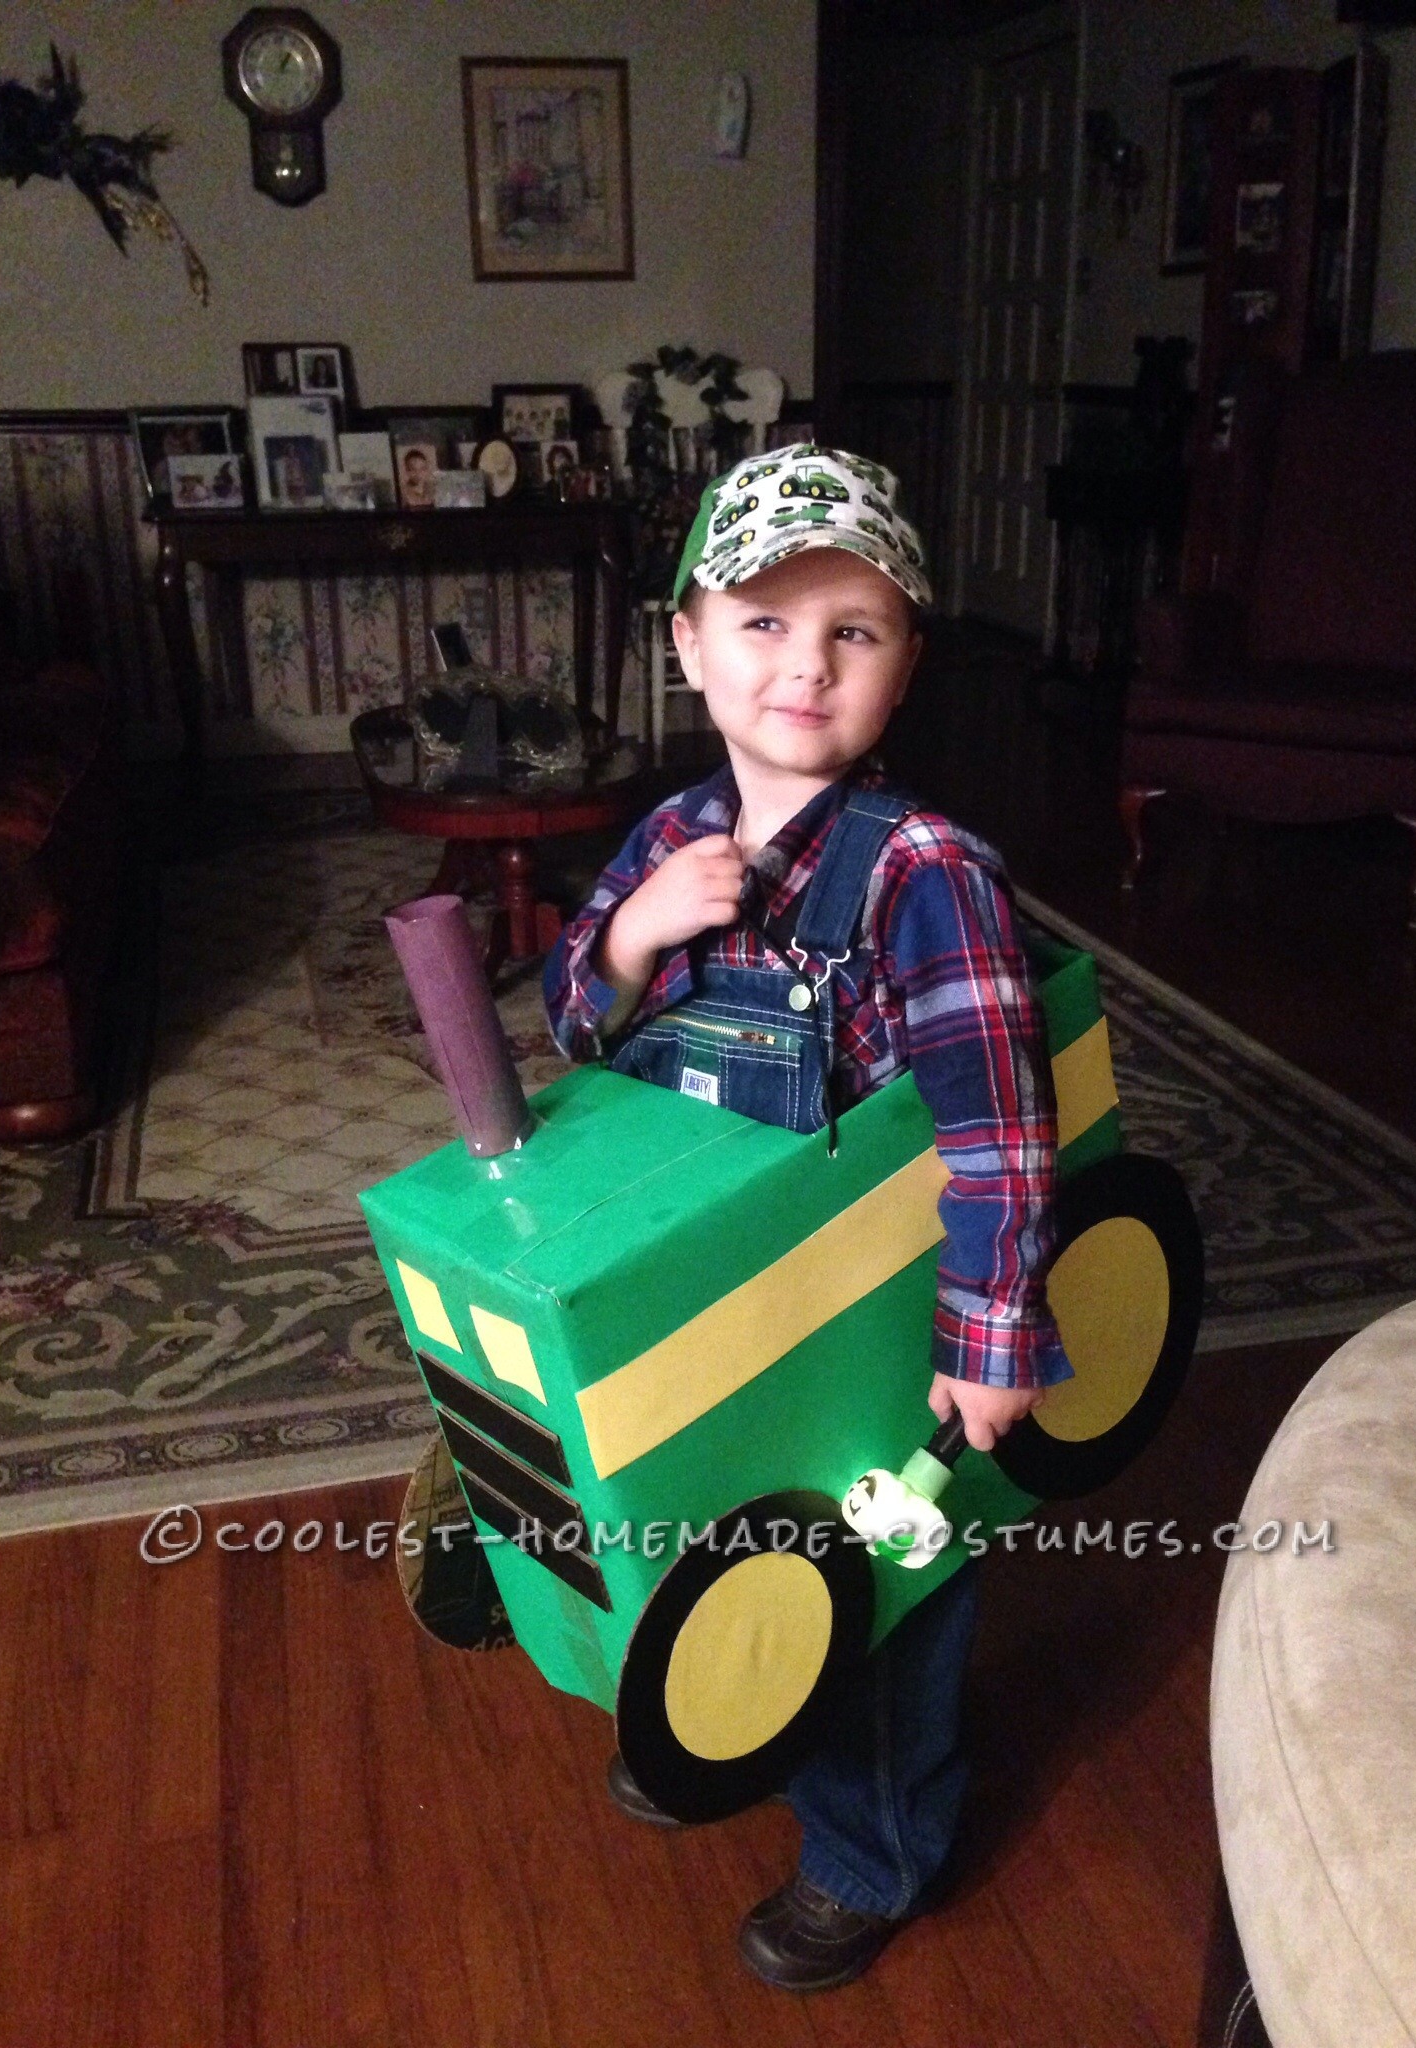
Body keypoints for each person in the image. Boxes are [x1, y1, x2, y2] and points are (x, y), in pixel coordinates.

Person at [542, 443, 1071, 1992]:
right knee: (717, 1531)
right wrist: (633, 938)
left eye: (853, 628)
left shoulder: (928, 878)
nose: (804, 664)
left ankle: (873, 1846)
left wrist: (989, 1336)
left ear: (903, 667)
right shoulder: (662, 839)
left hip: (874, 1324)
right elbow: (576, 1024)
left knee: (886, 1582)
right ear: (688, 647)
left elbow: (1000, 1132)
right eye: (763, 622)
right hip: (717, 1301)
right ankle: (732, 1715)